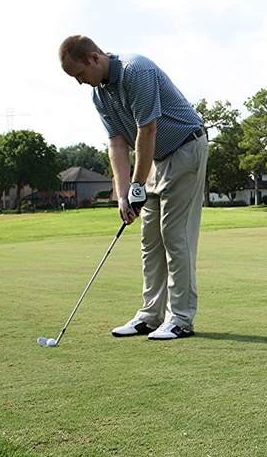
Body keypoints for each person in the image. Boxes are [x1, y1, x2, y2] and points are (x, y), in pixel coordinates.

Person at [59, 35, 208, 340]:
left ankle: (180, 319)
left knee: (174, 234)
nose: (80, 82)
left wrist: (137, 185)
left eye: (80, 74)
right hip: (155, 158)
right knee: (150, 239)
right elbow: (116, 143)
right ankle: (151, 316)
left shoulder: (136, 71)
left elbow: (147, 130)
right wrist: (123, 193)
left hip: (185, 148)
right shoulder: (100, 95)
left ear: (94, 58)